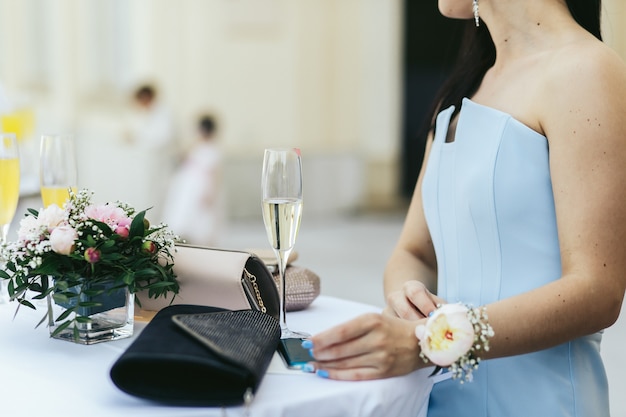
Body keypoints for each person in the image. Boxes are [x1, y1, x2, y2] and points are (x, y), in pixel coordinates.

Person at [301, 1, 626, 416]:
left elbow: (597, 290)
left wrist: (432, 339)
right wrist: (408, 301)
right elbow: (413, 252)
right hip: (441, 402)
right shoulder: (460, 94)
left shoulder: (586, 71)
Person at [162, 114, 225, 246]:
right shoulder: (196, 146)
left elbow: (214, 173)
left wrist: (211, 192)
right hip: (189, 183)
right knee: (184, 210)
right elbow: (183, 157)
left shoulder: (213, 149)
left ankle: (200, 240)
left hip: (201, 185)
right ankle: (184, 237)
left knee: (201, 214)